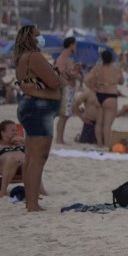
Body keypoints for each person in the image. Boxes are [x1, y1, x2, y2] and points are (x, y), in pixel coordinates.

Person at [13, 25, 67, 211]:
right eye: (38, 35)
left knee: (30, 157)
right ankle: (33, 204)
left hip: (31, 107)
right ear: (30, 38)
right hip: (39, 109)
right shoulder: (34, 57)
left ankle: (31, 201)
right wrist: (60, 79)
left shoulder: (22, 58)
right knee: (38, 158)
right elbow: (53, 81)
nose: (41, 37)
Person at [84, 49, 123, 149]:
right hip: (111, 96)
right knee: (107, 124)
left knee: (99, 122)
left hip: (99, 94)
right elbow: (121, 82)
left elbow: (86, 79)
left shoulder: (97, 68)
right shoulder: (116, 69)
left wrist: (93, 88)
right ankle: (106, 145)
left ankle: (99, 143)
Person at [53, 37, 82, 145]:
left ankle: (60, 138)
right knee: (63, 115)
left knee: (65, 115)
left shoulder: (66, 58)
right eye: (75, 44)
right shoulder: (64, 58)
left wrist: (75, 73)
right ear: (71, 45)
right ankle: (59, 139)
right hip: (66, 88)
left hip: (68, 88)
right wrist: (75, 75)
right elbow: (60, 73)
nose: (76, 47)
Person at [1, 119, 26, 196]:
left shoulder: (21, 144)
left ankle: (40, 191)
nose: (15, 132)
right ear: (2, 132)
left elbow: (38, 152)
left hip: (23, 166)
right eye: (12, 130)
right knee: (13, 158)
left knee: (29, 161)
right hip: (4, 166)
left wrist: (24, 141)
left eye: (16, 130)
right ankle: (3, 191)